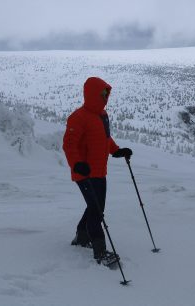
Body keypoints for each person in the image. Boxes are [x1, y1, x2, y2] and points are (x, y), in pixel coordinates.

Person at [62, 77, 132, 264]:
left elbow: (105, 138)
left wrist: (116, 150)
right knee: (96, 210)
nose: (105, 96)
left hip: (100, 171)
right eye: (102, 93)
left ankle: (82, 236)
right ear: (92, 93)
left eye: (106, 93)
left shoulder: (102, 115)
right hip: (84, 172)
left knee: (96, 206)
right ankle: (100, 250)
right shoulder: (78, 117)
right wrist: (77, 164)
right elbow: (69, 145)